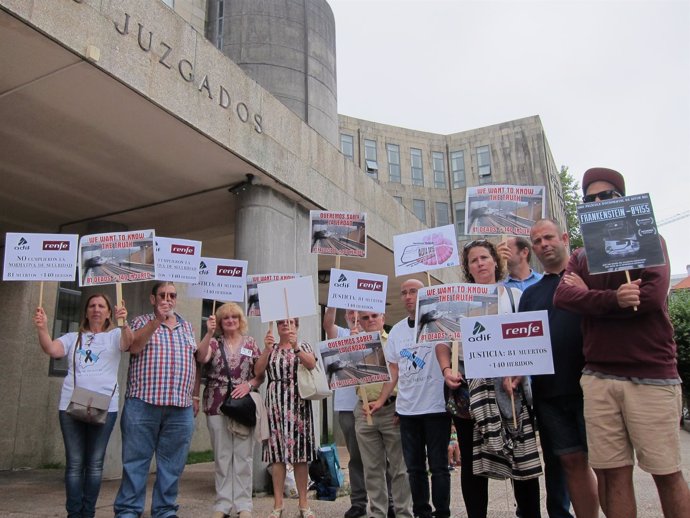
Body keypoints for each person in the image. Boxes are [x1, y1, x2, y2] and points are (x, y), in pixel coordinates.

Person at [554, 167, 690, 518]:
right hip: (599, 377)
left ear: (622, 200)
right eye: (589, 199)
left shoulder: (650, 241)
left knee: (666, 473)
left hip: (652, 375)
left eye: (606, 196)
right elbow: (564, 296)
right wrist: (614, 299)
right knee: (612, 475)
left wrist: (593, 297)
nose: (597, 203)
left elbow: (650, 297)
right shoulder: (582, 255)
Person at [437, 240, 542, 518]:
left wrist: (518, 372)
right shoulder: (456, 301)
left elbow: (531, 340)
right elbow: (442, 342)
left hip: (510, 389)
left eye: (484, 257)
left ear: (496, 261)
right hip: (469, 392)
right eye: (473, 260)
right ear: (467, 268)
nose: (480, 263)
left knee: (521, 460)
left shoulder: (514, 297)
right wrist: (447, 370)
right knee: (473, 466)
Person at [506, 219, 599, 518]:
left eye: (548, 237)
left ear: (563, 238)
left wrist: (588, 291)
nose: (543, 244)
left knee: (606, 466)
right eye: (537, 241)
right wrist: (517, 370)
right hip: (549, 395)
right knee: (569, 462)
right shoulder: (530, 295)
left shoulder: (589, 276)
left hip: (592, 387)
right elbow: (525, 347)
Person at [114, 281, 209, 518]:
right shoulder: (139, 321)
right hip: (143, 404)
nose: (168, 299)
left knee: (172, 465)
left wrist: (195, 395)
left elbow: (196, 363)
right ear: (153, 299)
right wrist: (157, 321)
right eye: (163, 295)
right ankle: (128, 510)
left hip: (180, 407)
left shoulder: (187, 327)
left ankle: (164, 510)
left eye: (172, 295)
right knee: (136, 462)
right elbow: (134, 347)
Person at [34, 293, 132, 518]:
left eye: (101, 306)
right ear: (86, 311)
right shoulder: (71, 337)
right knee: (75, 463)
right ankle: (74, 513)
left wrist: (124, 322)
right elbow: (52, 349)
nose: (96, 309)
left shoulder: (115, 335)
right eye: (92, 306)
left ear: (108, 312)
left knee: (95, 464)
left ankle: (88, 513)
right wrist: (42, 327)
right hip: (71, 406)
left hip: (105, 407)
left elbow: (129, 343)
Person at [383, 278, 451, 518]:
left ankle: (442, 512)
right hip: (407, 410)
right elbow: (393, 371)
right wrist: (383, 401)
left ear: (425, 294)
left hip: (436, 407)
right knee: (415, 469)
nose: (408, 296)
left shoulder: (439, 323)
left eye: (414, 291)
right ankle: (422, 512)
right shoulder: (397, 331)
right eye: (404, 293)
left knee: (439, 467)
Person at [196, 302, 263, 518]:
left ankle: (244, 505)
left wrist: (249, 385)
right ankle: (223, 504)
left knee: (243, 456)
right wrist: (208, 332)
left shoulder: (251, 343)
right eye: (226, 318)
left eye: (234, 316)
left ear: (240, 320)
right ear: (221, 322)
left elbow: (260, 374)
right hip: (217, 404)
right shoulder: (214, 343)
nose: (231, 320)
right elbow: (201, 357)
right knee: (222, 457)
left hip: (242, 405)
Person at [254, 318, 318, 518]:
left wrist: (296, 347)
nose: (285, 325)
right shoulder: (271, 347)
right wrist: (265, 349)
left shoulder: (303, 345)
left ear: (296, 326)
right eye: (281, 322)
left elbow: (312, 364)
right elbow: (258, 372)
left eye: (290, 322)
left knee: (300, 455)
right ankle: (278, 504)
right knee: (277, 456)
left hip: (298, 403)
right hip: (275, 404)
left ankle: (303, 504)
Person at [354, 310, 413, 518]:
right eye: (365, 317)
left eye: (374, 316)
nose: (370, 320)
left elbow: (406, 372)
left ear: (383, 318)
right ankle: (377, 513)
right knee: (372, 469)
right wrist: (349, 349)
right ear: (359, 321)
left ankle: (404, 513)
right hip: (364, 410)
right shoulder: (352, 345)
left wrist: (402, 406)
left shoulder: (394, 340)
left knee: (400, 468)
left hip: (392, 409)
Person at [323, 308, 368, 518]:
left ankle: (389, 502)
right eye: (350, 311)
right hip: (347, 406)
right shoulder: (340, 333)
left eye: (359, 311)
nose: (355, 315)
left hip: (372, 405)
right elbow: (327, 325)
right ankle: (358, 502)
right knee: (356, 457)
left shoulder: (374, 332)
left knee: (380, 457)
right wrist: (332, 302)